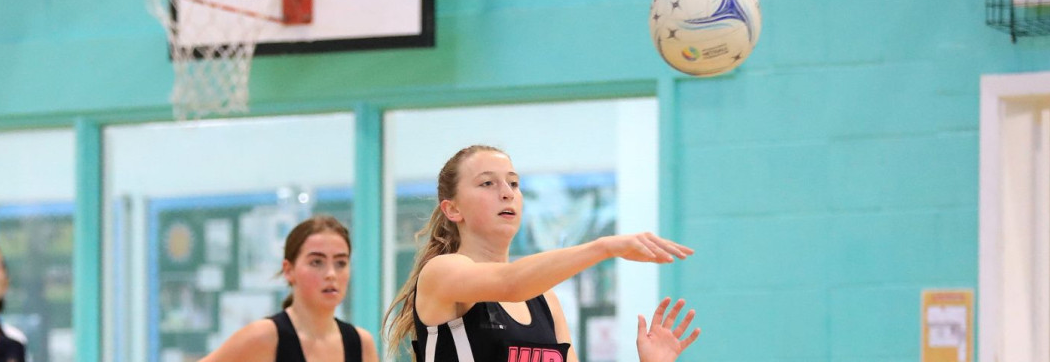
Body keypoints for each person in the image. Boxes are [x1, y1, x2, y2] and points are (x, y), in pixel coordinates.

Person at [383, 145, 701, 362]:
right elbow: (509, 284)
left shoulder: (545, 301)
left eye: (514, 183)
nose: (507, 192)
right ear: (452, 209)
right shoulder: (443, 273)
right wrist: (605, 246)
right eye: (487, 184)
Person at [201, 215, 380, 362]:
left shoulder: (361, 343)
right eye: (317, 262)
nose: (331, 274)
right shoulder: (264, 336)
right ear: (289, 270)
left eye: (341, 263)